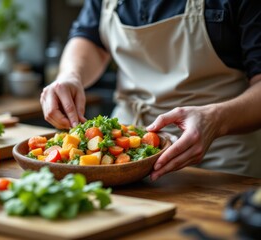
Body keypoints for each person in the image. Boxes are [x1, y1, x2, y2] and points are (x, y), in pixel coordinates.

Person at [40, 0, 261, 180]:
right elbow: (90, 38)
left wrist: (215, 120)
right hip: (123, 155)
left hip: (220, 156)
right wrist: (70, 74)